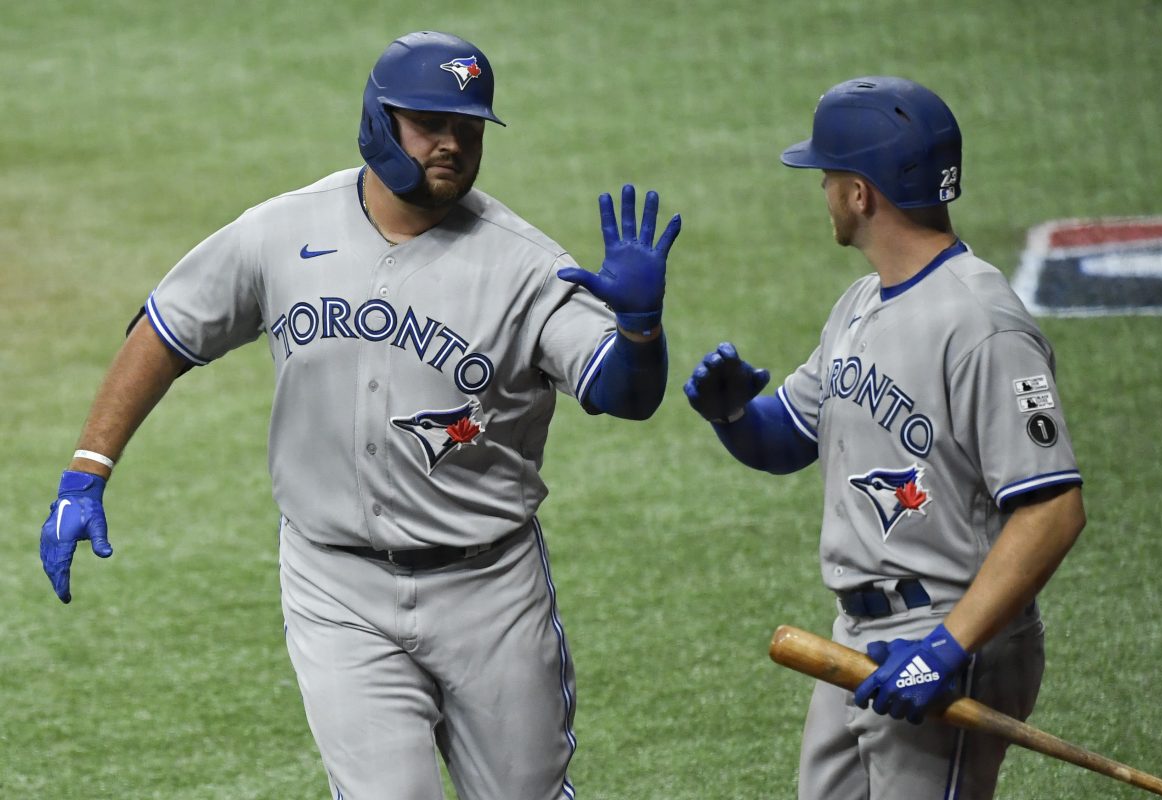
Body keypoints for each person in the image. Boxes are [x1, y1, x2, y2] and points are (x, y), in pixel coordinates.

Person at [39, 31, 681, 800]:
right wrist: (88, 470)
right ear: (379, 121)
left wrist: (641, 334)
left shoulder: (525, 266)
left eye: (468, 128)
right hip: (335, 586)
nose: (452, 144)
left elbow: (623, 394)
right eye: (430, 124)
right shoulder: (282, 231)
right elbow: (167, 331)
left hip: (489, 589)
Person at [684, 76, 1085, 799]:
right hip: (854, 640)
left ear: (861, 193)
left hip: (952, 631)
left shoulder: (982, 326)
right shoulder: (862, 304)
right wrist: (735, 415)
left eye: (829, 176)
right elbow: (789, 437)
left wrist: (946, 649)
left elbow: (1052, 510)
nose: (824, 191)